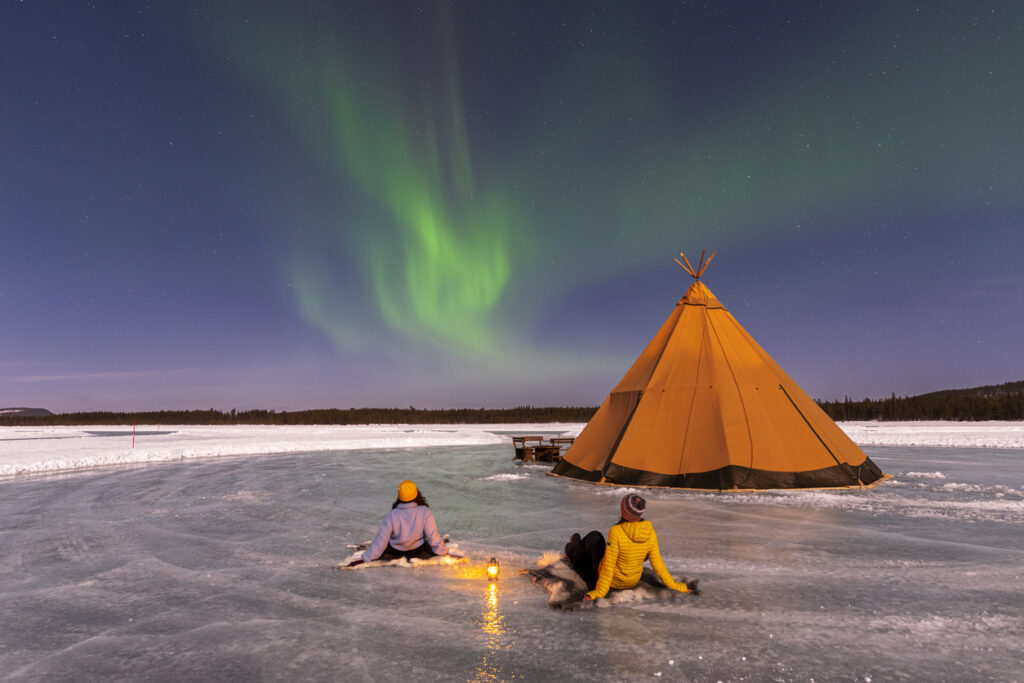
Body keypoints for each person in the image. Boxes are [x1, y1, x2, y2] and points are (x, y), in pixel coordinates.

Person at [563, 493, 700, 600]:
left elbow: (609, 566)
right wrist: (676, 586)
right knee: (636, 549)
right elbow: (658, 564)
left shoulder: (616, 531)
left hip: (614, 581)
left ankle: (572, 548)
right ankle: (577, 544)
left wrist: (600, 591)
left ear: (624, 512)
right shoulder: (650, 533)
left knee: (595, 537)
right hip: (632, 580)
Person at [346, 480, 449, 567]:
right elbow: (432, 536)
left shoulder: (392, 514)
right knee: (428, 541)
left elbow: (381, 541)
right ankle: (442, 545)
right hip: (418, 551)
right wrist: (445, 553)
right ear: (416, 493)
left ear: (400, 496)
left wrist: (364, 559)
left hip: (396, 552)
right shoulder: (424, 511)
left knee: (385, 545)